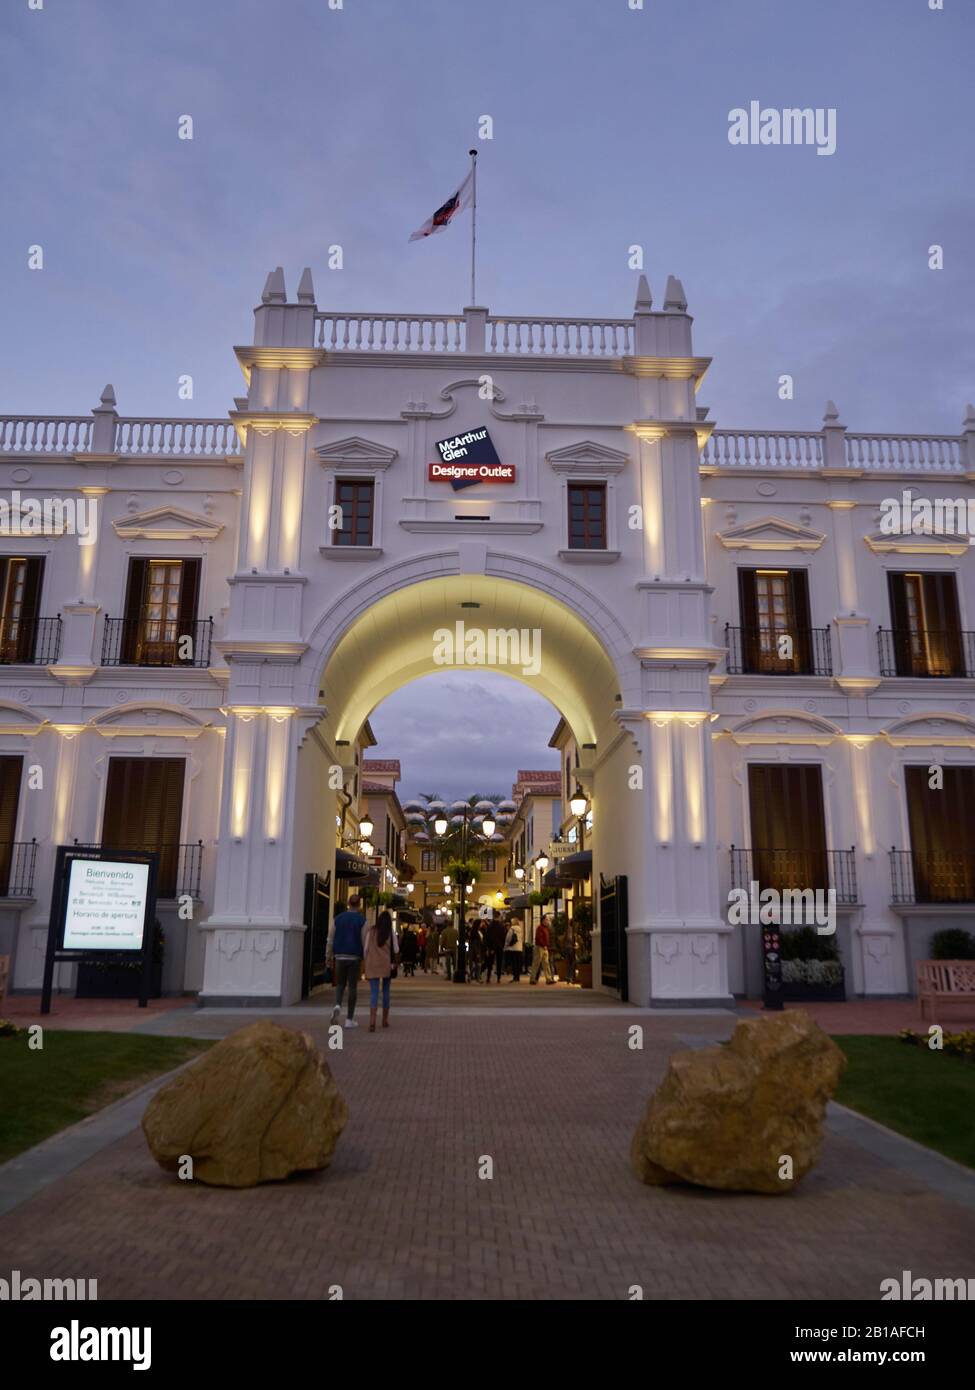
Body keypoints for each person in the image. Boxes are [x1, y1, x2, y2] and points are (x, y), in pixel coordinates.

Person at [327, 893, 366, 1029]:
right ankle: (349, 1019)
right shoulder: (362, 920)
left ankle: (337, 1004)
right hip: (354, 957)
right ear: (359, 905)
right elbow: (364, 941)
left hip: (339, 956)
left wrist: (328, 956)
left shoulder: (337, 919)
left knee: (340, 984)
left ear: (348, 904)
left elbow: (330, 939)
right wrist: (365, 958)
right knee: (352, 987)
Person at [363, 908, 398, 1032]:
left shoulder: (371, 931)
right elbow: (396, 950)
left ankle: (372, 1021)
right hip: (386, 965)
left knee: (374, 993)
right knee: (386, 992)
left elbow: (366, 949)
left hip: (372, 964)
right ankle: (385, 1020)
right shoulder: (390, 932)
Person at [530, 913, 556, 985]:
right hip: (539, 947)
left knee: (546, 963)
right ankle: (532, 978)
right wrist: (544, 945)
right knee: (536, 963)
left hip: (544, 947)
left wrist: (546, 945)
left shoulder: (545, 928)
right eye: (546, 919)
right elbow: (539, 938)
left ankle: (549, 979)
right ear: (543, 920)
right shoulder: (540, 928)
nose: (548, 921)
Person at [484, 914, 506, 982]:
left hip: (492, 947)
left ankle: (488, 977)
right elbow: (503, 937)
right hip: (499, 946)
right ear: (499, 917)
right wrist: (502, 945)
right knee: (499, 962)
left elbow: (487, 937)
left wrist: (489, 946)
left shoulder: (490, 926)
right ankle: (498, 978)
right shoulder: (501, 926)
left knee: (490, 962)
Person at [505, 915, 525, 982]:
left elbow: (508, 937)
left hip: (513, 948)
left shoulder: (512, 929)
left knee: (514, 963)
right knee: (518, 963)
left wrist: (507, 944)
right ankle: (518, 976)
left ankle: (515, 977)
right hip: (519, 948)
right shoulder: (520, 929)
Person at [467, 917, 482, 981]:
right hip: (475, 951)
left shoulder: (475, 931)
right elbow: (475, 944)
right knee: (477, 965)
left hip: (474, 950)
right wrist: (477, 953)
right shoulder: (475, 933)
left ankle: (472, 976)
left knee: (476, 965)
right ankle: (476, 977)